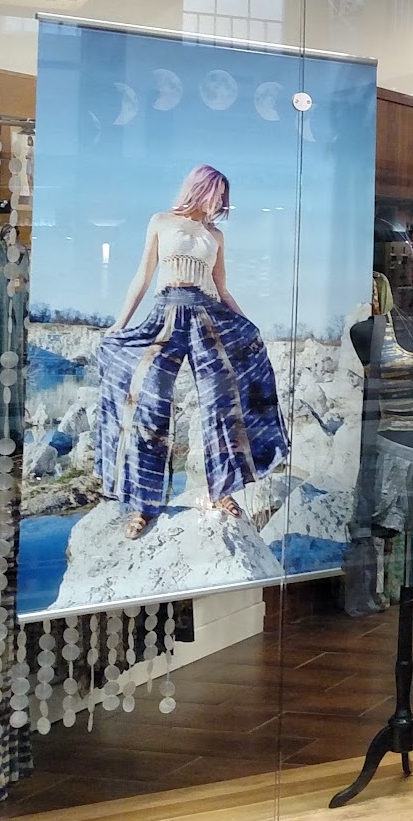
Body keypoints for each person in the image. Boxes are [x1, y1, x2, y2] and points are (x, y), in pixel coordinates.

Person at [96, 164, 290, 540]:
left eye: (224, 197)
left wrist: (248, 325)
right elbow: (143, 275)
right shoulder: (161, 221)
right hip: (165, 315)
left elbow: (222, 288)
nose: (222, 202)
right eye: (218, 194)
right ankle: (144, 504)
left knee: (221, 405)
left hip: (208, 318)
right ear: (201, 189)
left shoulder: (215, 235)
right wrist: (120, 324)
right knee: (149, 404)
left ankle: (222, 491)